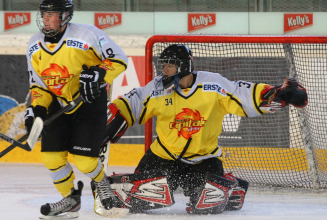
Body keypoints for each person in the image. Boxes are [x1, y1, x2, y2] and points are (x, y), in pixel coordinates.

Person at [102, 44, 308, 214]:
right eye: (163, 65)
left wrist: (275, 94)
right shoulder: (157, 88)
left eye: (169, 66)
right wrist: (112, 116)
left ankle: (231, 184)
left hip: (203, 159)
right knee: (135, 200)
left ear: (183, 66)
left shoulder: (213, 84)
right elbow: (134, 102)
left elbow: (241, 94)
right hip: (163, 156)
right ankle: (217, 186)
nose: (164, 70)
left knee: (205, 205)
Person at [24, 0, 128, 218]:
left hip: (88, 103)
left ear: (65, 17)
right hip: (58, 104)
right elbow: (38, 86)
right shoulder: (34, 44)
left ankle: (102, 185)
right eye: (45, 15)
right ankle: (71, 200)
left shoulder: (87, 35)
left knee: (86, 161)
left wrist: (98, 72)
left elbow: (119, 59)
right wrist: (38, 111)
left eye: (53, 15)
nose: (47, 19)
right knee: (51, 158)